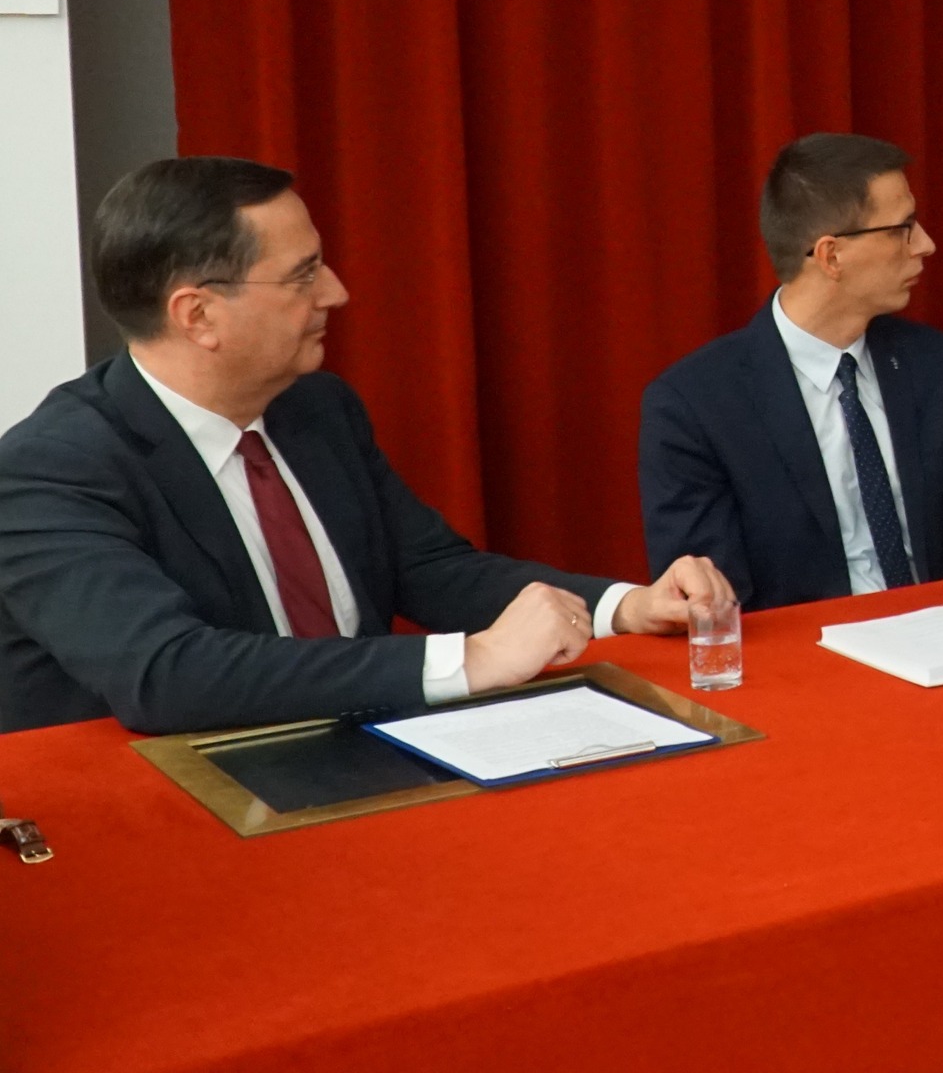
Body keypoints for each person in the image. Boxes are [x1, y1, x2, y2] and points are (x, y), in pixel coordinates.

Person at [0, 158, 735, 736]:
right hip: (161, 813)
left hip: (359, 756)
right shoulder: (49, 470)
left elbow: (430, 569)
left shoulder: (317, 410)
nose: (336, 293)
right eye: (302, 275)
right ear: (198, 316)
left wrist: (624, 607)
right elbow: (167, 674)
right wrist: (472, 659)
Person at [639, 133, 943, 611]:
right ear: (832, 255)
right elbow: (713, 608)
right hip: (804, 649)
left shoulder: (930, 363)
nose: (926, 244)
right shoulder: (695, 406)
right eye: (903, 228)